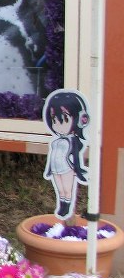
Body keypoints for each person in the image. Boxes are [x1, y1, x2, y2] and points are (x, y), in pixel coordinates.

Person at [42, 89, 89, 220]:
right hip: (56, 168)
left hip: (67, 167)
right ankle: (62, 206)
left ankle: (66, 207)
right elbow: (52, 157)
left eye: (64, 119)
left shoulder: (72, 141)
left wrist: (77, 169)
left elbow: (75, 156)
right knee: (61, 190)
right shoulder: (57, 141)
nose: (58, 125)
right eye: (53, 120)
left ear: (78, 119)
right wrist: (49, 170)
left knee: (67, 189)